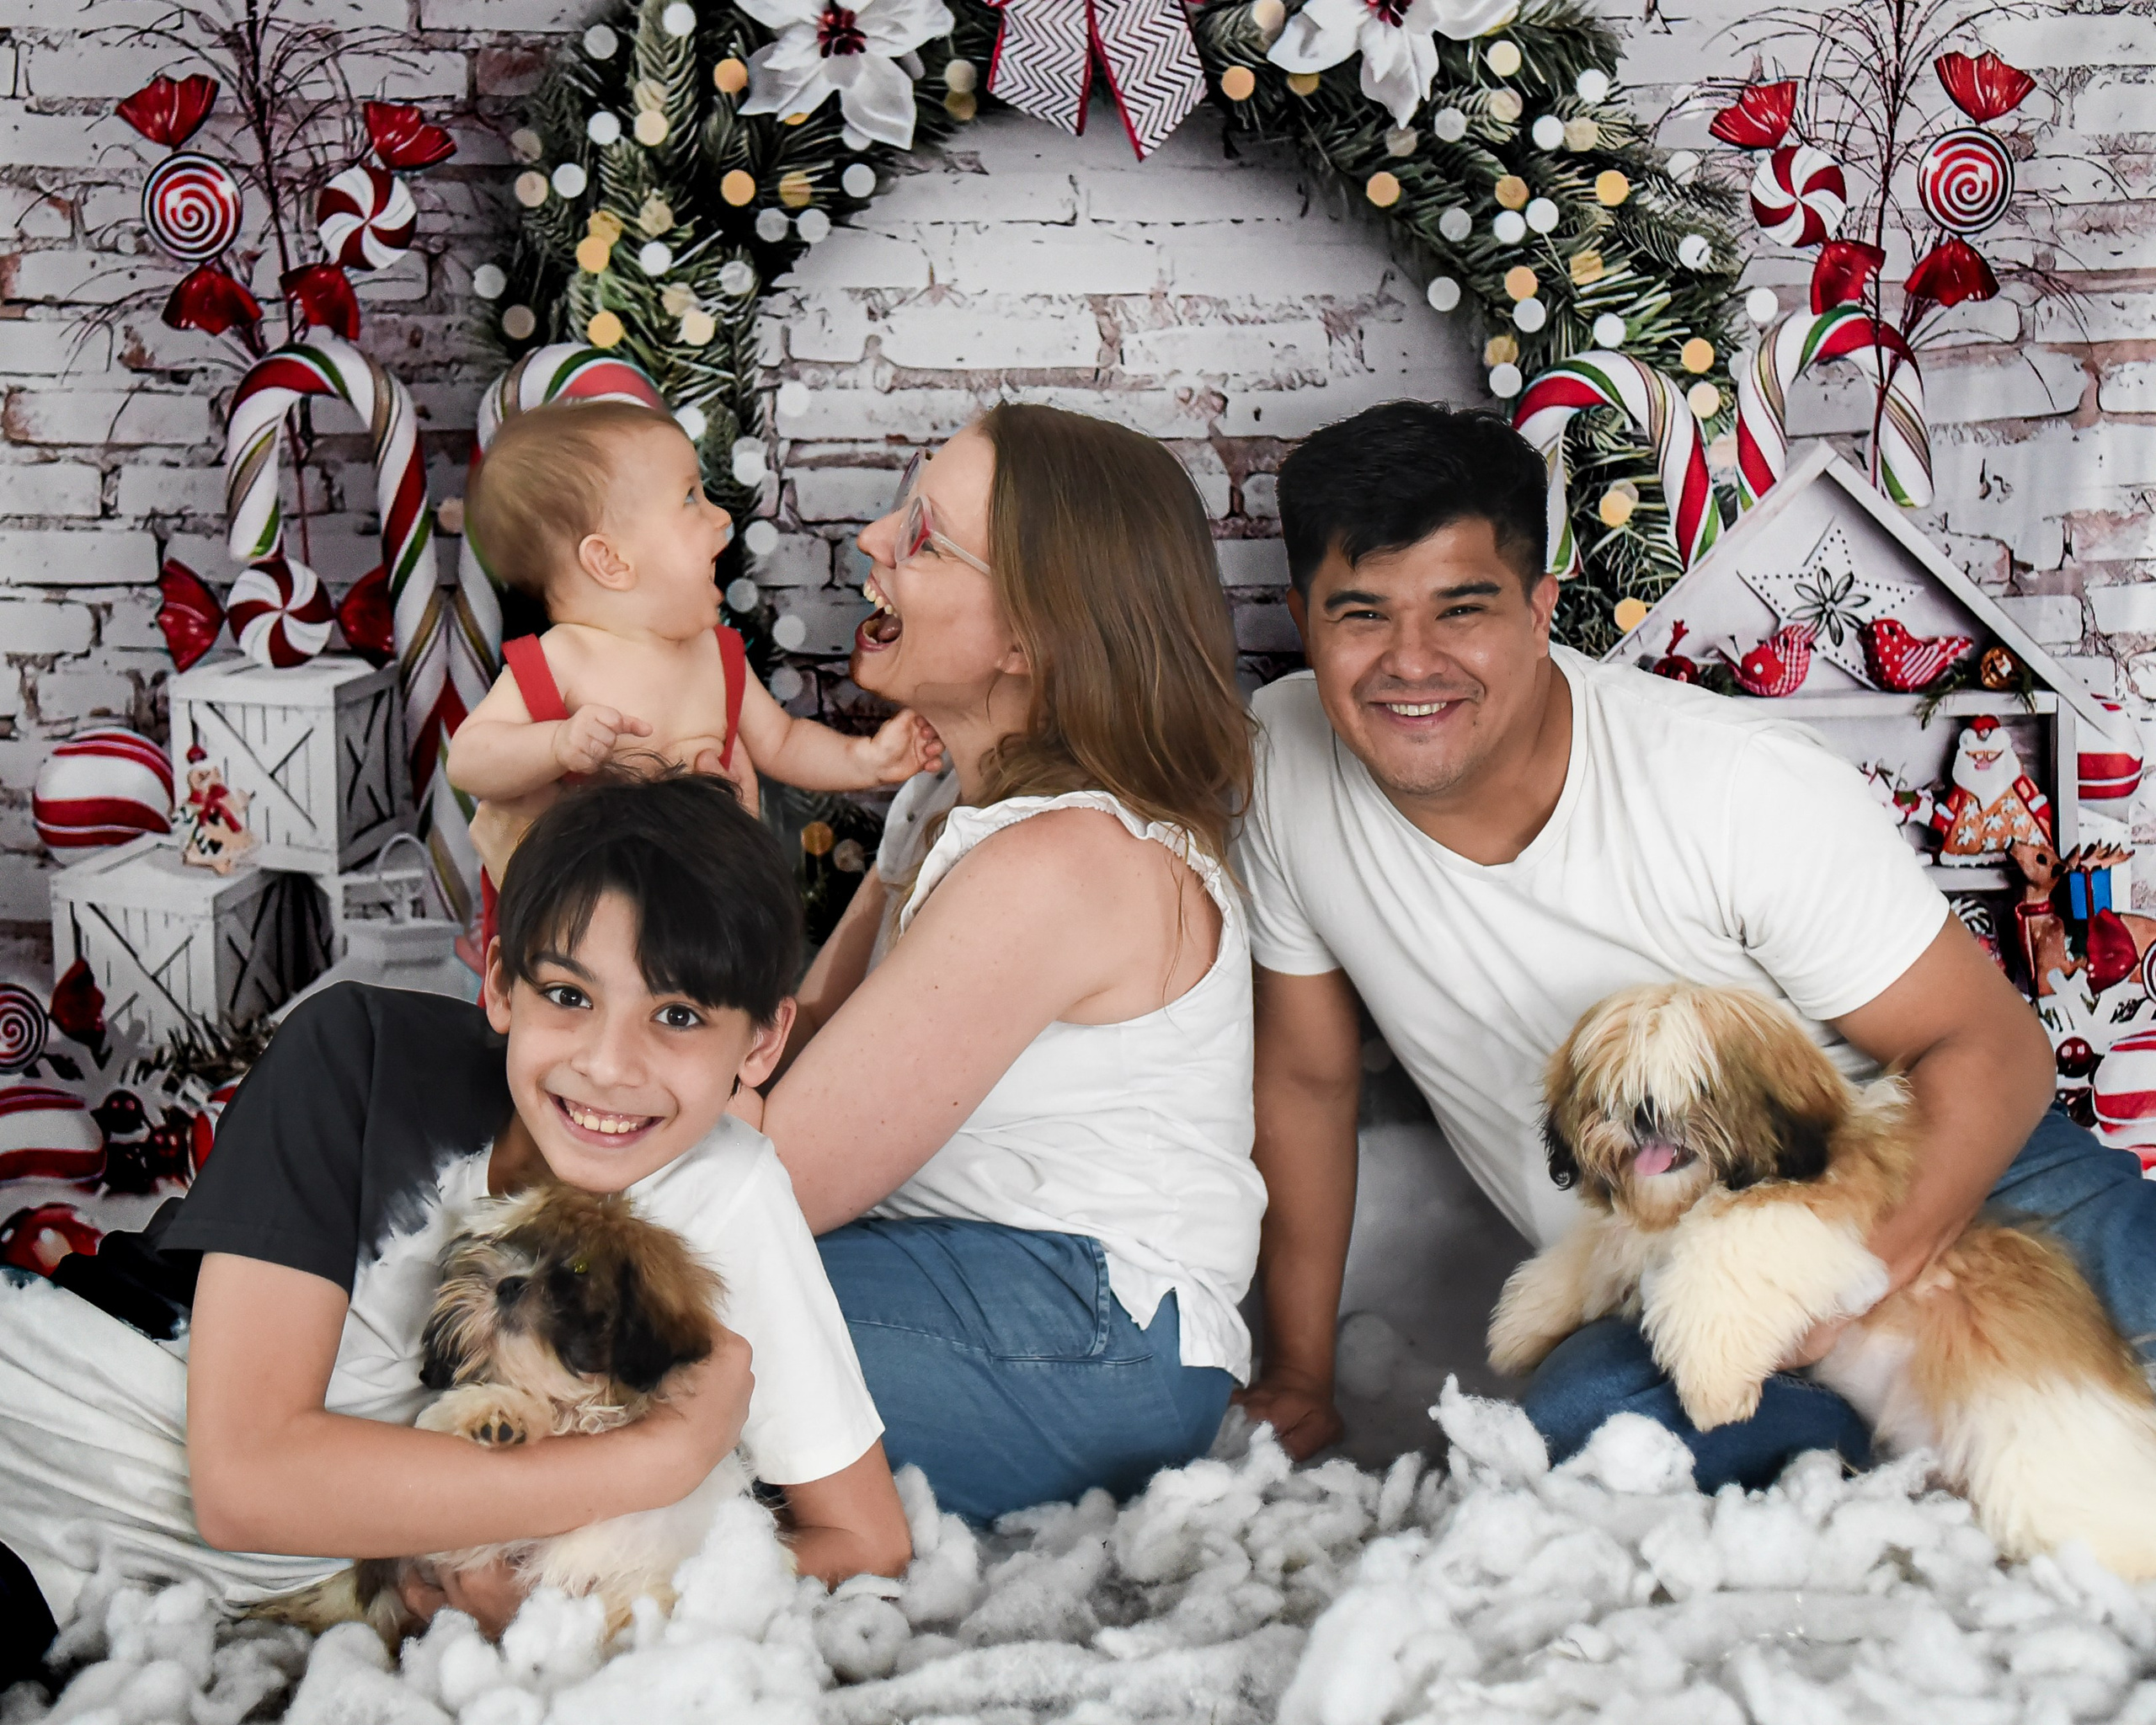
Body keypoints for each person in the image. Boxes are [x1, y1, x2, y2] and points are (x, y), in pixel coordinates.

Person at [1232, 398, 2156, 1486]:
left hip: (1913, 1171)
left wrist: (1839, 1283)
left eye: (1461, 609)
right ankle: (1899, 1455)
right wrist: (1298, 1372)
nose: (1411, 661)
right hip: (1654, 1265)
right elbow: (1303, 1083)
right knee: (1581, 1429)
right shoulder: (1281, 770)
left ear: (1540, 610)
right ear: (1304, 616)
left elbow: (1994, 1053)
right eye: (1362, 615)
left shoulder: (1732, 788)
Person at [0, 772, 909, 1685]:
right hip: (70, 1414)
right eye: (568, 994)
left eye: (677, 1015)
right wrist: (654, 1458)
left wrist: (597, 1601)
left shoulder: (728, 1194)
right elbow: (244, 1482)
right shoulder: (355, 1054)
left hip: (210, 1601)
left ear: (760, 1041)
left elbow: (863, 1538)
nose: (607, 1064)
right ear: (502, 981)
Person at [755, 403, 1264, 1526]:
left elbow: (773, 1179)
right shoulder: (950, 802)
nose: (872, 542)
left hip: (1083, 1342)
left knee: (605, 1311)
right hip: (978, 1281)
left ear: (1032, 637)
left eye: (926, 538)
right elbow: (801, 1032)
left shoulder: (1065, 863)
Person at [447, 398, 942, 937]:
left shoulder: (715, 652)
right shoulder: (563, 658)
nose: (722, 516)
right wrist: (555, 745)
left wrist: (866, 760)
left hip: (703, 922)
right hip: (588, 927)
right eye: (690, 498)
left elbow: (783, 743)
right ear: (611, 561)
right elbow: (469, 760)